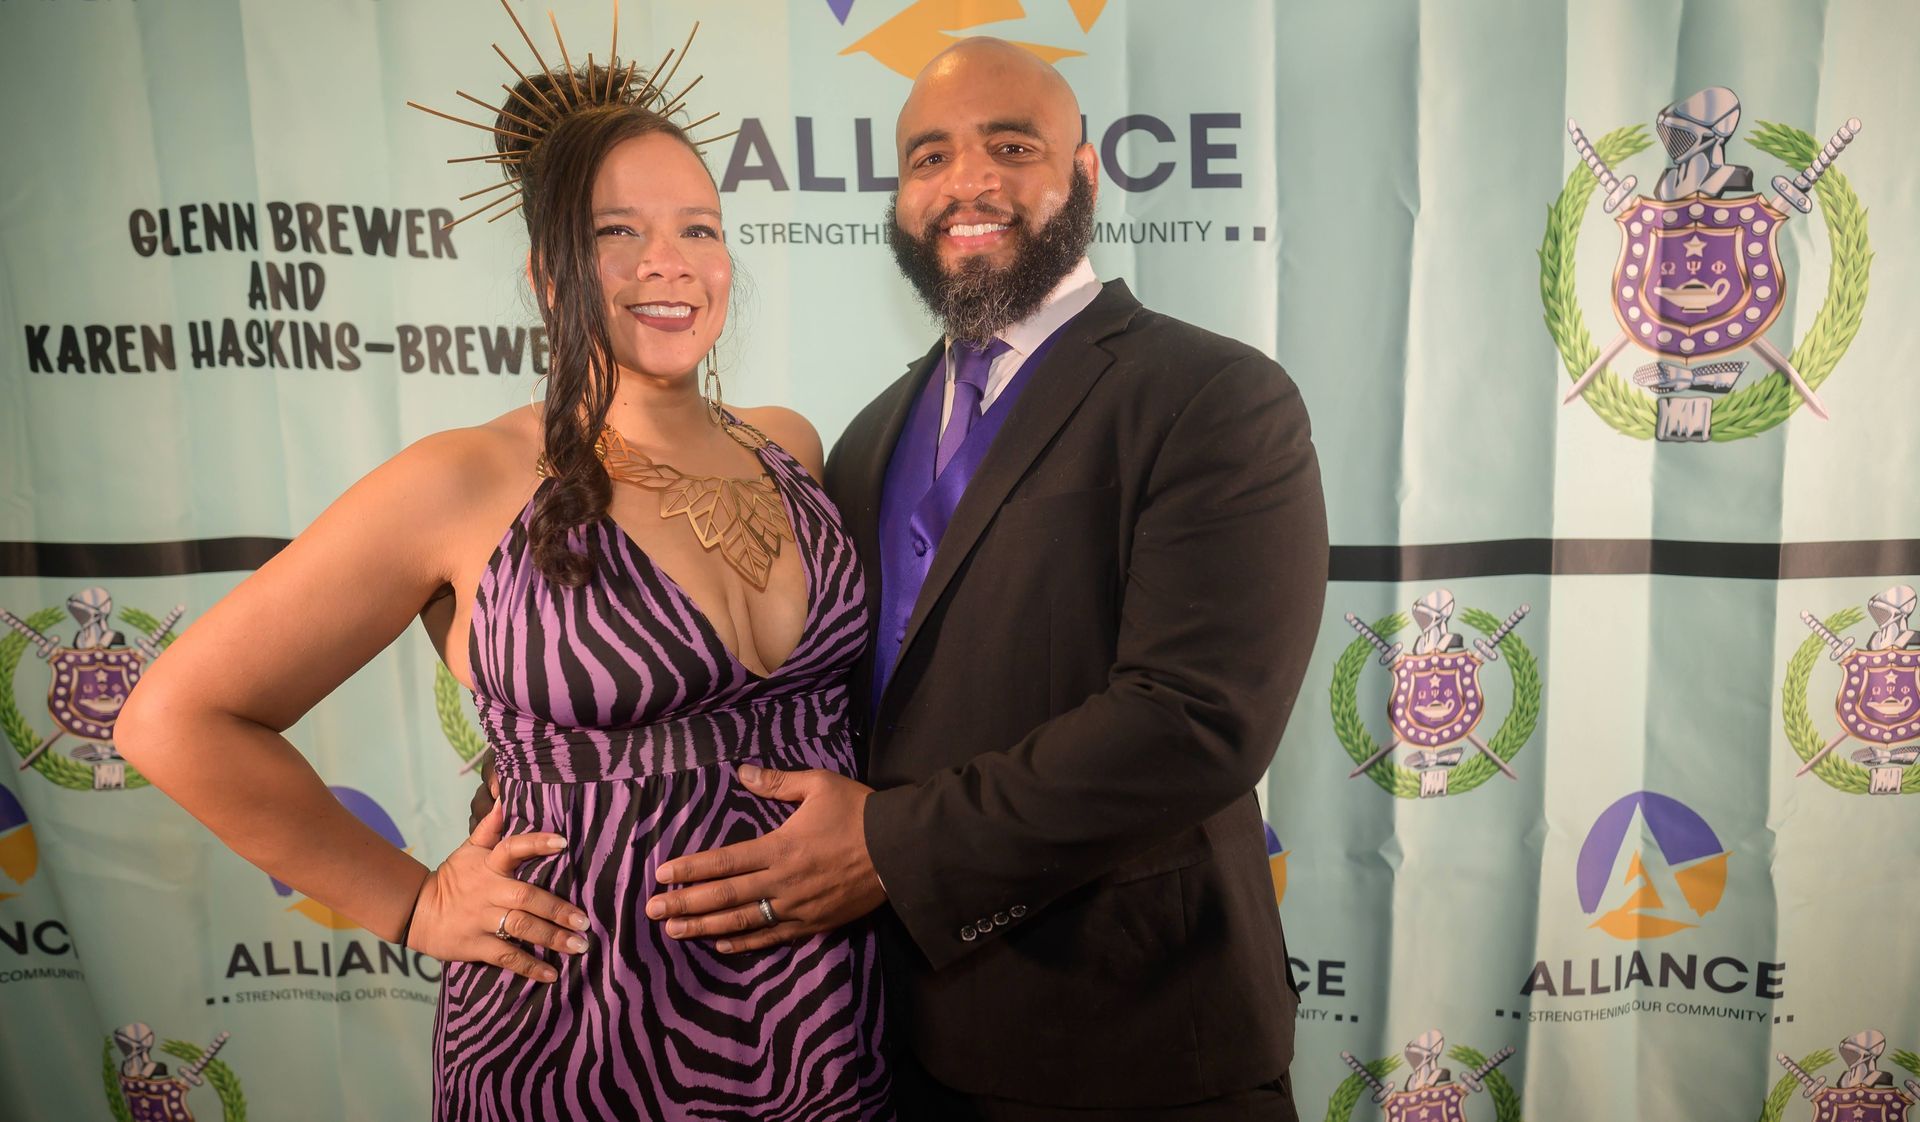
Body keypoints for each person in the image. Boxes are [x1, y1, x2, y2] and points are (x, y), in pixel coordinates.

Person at [116, 40, 891, 1122]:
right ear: (547, 271)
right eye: (619, 234)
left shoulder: (790, 446)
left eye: (698, 229)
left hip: (825, 1006)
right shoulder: (463, 480)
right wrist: (413, 903)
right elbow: (174, 717)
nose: (670, 263)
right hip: (582, 1026)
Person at [641, 38, 1328, 1121]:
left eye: (1011, 146)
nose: (966, 182)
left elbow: (1196, 720)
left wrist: (888, 848)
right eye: (928, 158)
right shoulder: (869, 436)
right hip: (890, 1043)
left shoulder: (1214, 396)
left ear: (1087, 174)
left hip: (1142, 1045)